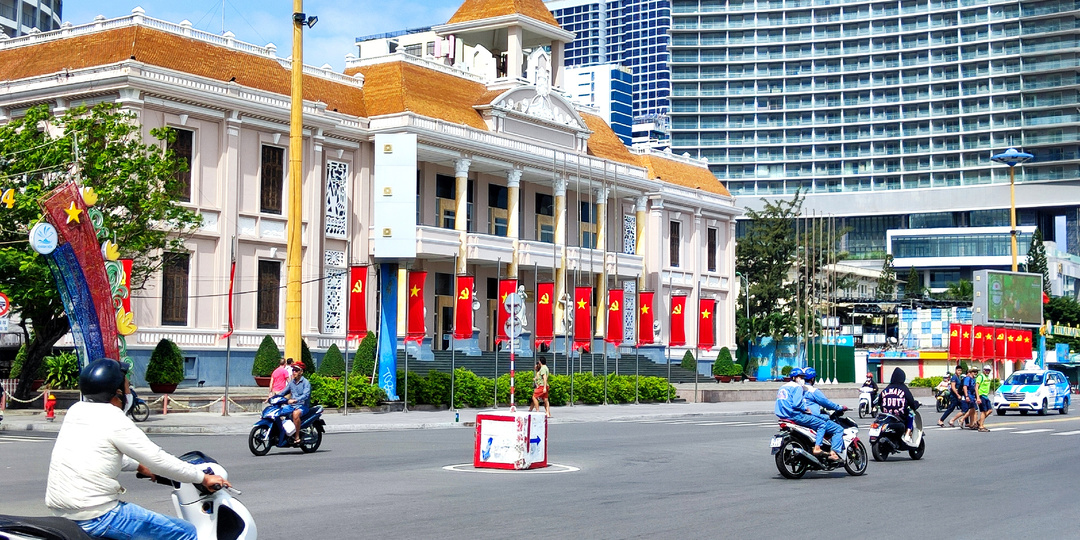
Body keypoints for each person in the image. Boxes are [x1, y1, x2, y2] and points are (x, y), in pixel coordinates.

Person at [46, 359, 229, 540]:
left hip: (64, 512)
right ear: (117, 392)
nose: (130, 391)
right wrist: (203, 477)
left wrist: (138, 466)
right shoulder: (113, 417)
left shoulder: (76, 410)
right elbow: (156, 459)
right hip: (97, 515)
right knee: (187, 533)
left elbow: (96, 453)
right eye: (128, 386)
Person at [775, 368, 839, 461]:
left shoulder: (783, 387)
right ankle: (817, 448)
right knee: (822, 424)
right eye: (801, 377)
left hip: (783, 416)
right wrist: (806, 409)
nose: (802, 380)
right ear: (795, 378)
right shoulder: (797, 387)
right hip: (795, 415)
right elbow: (797, 404)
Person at [803, 367, 847, 457]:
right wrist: (839, 407)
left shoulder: (798, 389)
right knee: (838, 429)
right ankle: (833, 453)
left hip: (801, 417)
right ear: (812, 379)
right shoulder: (813, 391)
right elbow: (826, 403)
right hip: (813, 418)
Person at [273, 362, 311, 445]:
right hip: (292, 405)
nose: (294, 372)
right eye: (293, 370)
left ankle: (297, 437)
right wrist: (274, 396)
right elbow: (283, 392)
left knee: (295, 414)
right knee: (277, 412)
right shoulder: (291, 383)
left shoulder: (306, 383)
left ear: (301, 372)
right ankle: (282, 432)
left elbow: (305, 395)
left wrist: (296, 400)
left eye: (296, 370)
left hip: (302, 406)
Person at [879, 367, 918, 443]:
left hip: (886, 415)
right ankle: (907, 435)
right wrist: (915, 406)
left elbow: (879, 400)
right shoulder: (904, 389)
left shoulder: (886, 389)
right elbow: (911, 401)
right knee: (911, 415)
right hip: (900, 416)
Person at [975, 365, 993, 431]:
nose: (987, 371)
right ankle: (981, 426)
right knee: (983, 411)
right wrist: (978, 397)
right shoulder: (980, 377)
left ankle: (979, 421)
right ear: (984, 370)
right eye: (986, 370)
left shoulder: (987, 377)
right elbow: (976, 387)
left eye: (989, 370)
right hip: (981, 395)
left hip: (986, 396)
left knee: (990, 410)